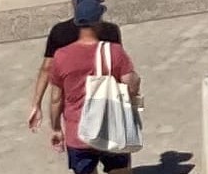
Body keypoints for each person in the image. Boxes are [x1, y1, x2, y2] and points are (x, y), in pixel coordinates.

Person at [32, 14, 141, 171]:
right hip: (112, 129)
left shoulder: (62, 56)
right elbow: (132, 83)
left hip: (78, 134)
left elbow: (56, 99)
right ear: (98, 24)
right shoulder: (114, 52)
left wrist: (56, 129)